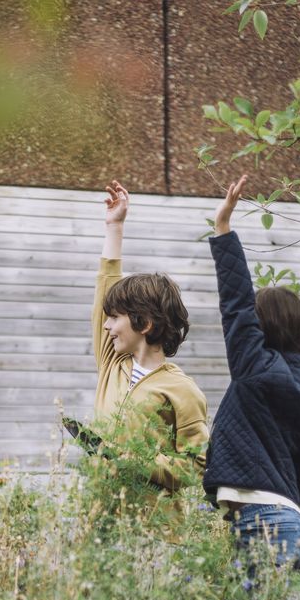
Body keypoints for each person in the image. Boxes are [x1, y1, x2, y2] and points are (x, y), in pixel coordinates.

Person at [203, 176, 300, 570]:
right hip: (284, 517)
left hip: (265, 521)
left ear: (264, 328)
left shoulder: (254, 368)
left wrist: (223, 231)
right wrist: (280, 492)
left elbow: (236, 308)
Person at [92, 180, 209, 492]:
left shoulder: (182, 390)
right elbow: (106, 283)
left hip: (157, 534)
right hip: (101, 524)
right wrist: (114, 226)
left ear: (144, 323)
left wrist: (135, 459)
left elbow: (197, 466)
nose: (106, 326)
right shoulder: (111, 364)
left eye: (115, 317)